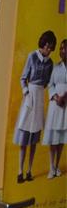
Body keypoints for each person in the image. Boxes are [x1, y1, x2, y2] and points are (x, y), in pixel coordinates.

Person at [13, 30, 56, 183]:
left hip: (39, 98)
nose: (48, 49)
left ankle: (29, 171)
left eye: (51, 47)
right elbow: (23, 78)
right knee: (24, 137)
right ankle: (20, 171)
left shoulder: (50, 63)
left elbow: (48, 82)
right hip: (29, 96)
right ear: (43, 44)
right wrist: (26, 92)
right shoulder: (32, 56)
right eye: (47, 46)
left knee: (34, 139)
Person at [42, 38, 67, 178]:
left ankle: (57, 166)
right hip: (55, 104)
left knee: (61, 137)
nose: (62, 51)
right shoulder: (55, 67)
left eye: (64, 48)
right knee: (53, 137)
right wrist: (56, 97)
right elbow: (50, 84)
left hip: (66, 105)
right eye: (61, 48)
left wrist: (65, 97)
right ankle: (51, 167)